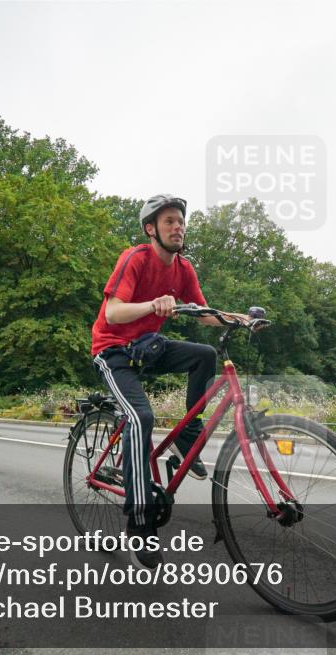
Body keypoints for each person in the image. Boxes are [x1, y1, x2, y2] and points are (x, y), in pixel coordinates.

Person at [90, 194, 248, 570]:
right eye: (169, 222)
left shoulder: (184, 269)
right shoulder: (135, 259)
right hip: (113, 350)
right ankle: (140, 522)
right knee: (141, 418)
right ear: (151, 229)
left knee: (205, 355)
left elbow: (204, 313)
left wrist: (237, 319)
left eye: (181, 221)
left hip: (149, 347)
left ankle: (186, 433)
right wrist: (153, 304)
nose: (178, 227)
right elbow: (113, 311)